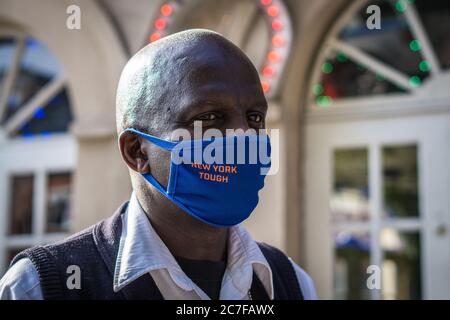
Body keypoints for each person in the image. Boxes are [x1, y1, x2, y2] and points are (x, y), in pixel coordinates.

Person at [0, 29, 316, 300]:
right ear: (137, 150)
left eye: (254, 117)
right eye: (209, 118)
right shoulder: (40, 286)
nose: (244, 137)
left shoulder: (291, 283)